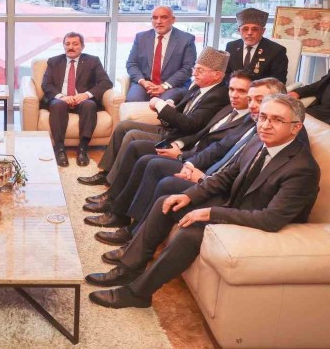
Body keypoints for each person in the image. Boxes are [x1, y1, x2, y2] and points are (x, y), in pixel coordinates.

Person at [86, 94, 319, 309]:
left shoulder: (302, 169)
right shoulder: (259, 141)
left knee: (190, 234)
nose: (266, 124)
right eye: (264, 117)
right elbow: (225, 177)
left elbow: (270, 219)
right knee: (168, 202)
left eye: (277, 120)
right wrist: (189, 195)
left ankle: (138, 294)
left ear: (296, 127)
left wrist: (210, 212)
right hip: (237, 207)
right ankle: (129, 268)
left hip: (261, 227)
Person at [91, 78, 286, 248]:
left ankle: (133, 232)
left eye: (254, 98)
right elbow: (209, 140)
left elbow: (225, 160)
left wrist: (191, 165)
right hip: (196, 158)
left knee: (155, 167)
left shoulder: (262, 129)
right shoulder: (233, 111)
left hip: (210, 175)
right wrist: (188, 159)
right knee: (145, 158)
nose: (235, 96)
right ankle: (118, 211)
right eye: (233, 90)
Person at [82, 71, 254, 230]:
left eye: (241, 91)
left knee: (150, 161)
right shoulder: (228, 108)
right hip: (186, 147)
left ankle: (127, 223)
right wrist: (180, 143)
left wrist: (182, 155)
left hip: (198, 163)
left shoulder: (242, 117)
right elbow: (200, 133)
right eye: (232, 89)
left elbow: (213, 147)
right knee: (139, 151)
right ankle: (115, 205)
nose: (233, 94)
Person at [78, 47, 231, 187]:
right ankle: (106, 173)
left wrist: (160, 104)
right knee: (123, 126)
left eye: (200, 70)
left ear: (216, 75)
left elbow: (189, 125)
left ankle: (113, 183)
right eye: (195, 68)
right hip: (172, 128)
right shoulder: (200, 85)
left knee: (132, 135)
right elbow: (181, 93)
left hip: (179, 138)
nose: (194, 73)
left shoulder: (218, 95)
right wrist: (170, 101)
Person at [40, 32, 113, 167]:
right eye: (67, 44)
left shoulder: (93, 61)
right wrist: (62, 97)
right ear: (63, 46)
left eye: (75, 44)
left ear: (82, 46)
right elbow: (46, 84)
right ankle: (60, 149)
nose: (71, 47)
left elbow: (106, 82)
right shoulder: (54, 61)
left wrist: (86, 94)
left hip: (82, 99)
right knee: (57, 105)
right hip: (61, 99)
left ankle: (83, 148)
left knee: (89, 105)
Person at [125, 5, 197, 103]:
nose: (158, 21)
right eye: (155, 18)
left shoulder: (186, 39)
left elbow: (188, 68)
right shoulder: (141, 37)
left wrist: (164, 86)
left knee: (162, 104)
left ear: (173, 20)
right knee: (133, 101)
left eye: (164, 17)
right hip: (145, 84)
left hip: (172, 85)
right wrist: (143, 82)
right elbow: (131, 64)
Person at [225, 7, 288, 83]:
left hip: (261, 90)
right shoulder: (231, 46)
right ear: (239, 30)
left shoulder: (276, 51)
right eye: (245, 29)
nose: (249, 33)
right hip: (233, 89)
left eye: (255, 29)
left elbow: (278, 82)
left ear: (263, 31)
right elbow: (225, 74)